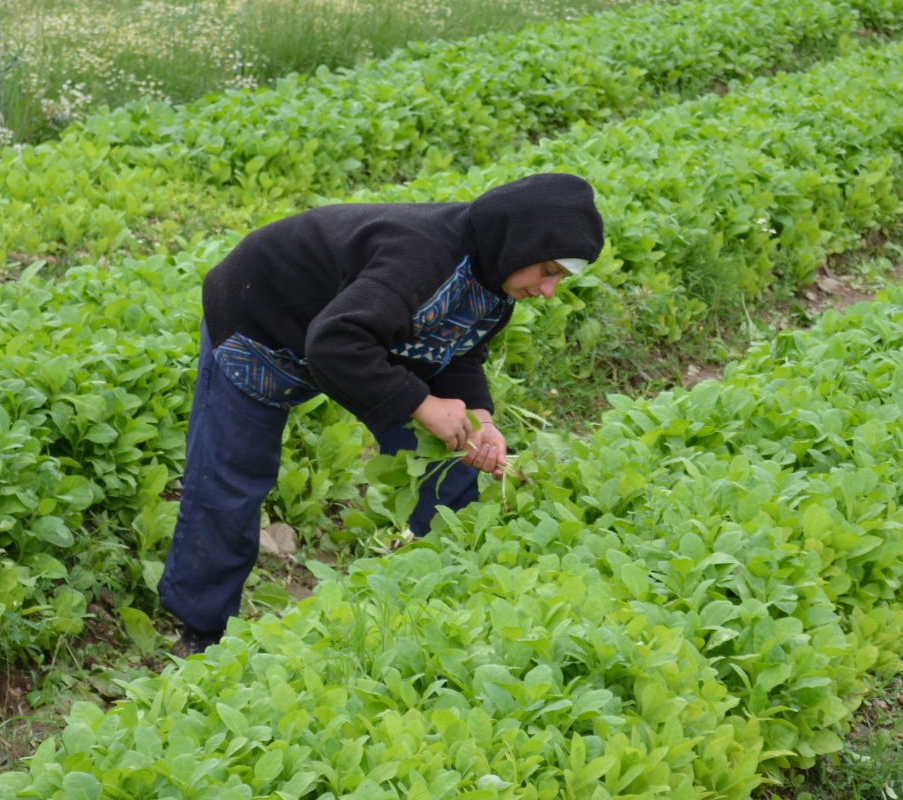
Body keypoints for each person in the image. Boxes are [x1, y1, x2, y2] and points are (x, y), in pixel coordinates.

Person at [158, 172, 606, 655]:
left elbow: (459, 353)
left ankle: (446, 592)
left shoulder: (496, 280)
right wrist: (420, 403)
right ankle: (202, 631)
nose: (549, 291)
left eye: (560, 278)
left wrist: (480, 419)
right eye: (547, 270)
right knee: (232, 475)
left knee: (450, 451)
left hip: (363, 336)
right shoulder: (420, 255)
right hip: (261, 319)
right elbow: (334, 344)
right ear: (519, 245)